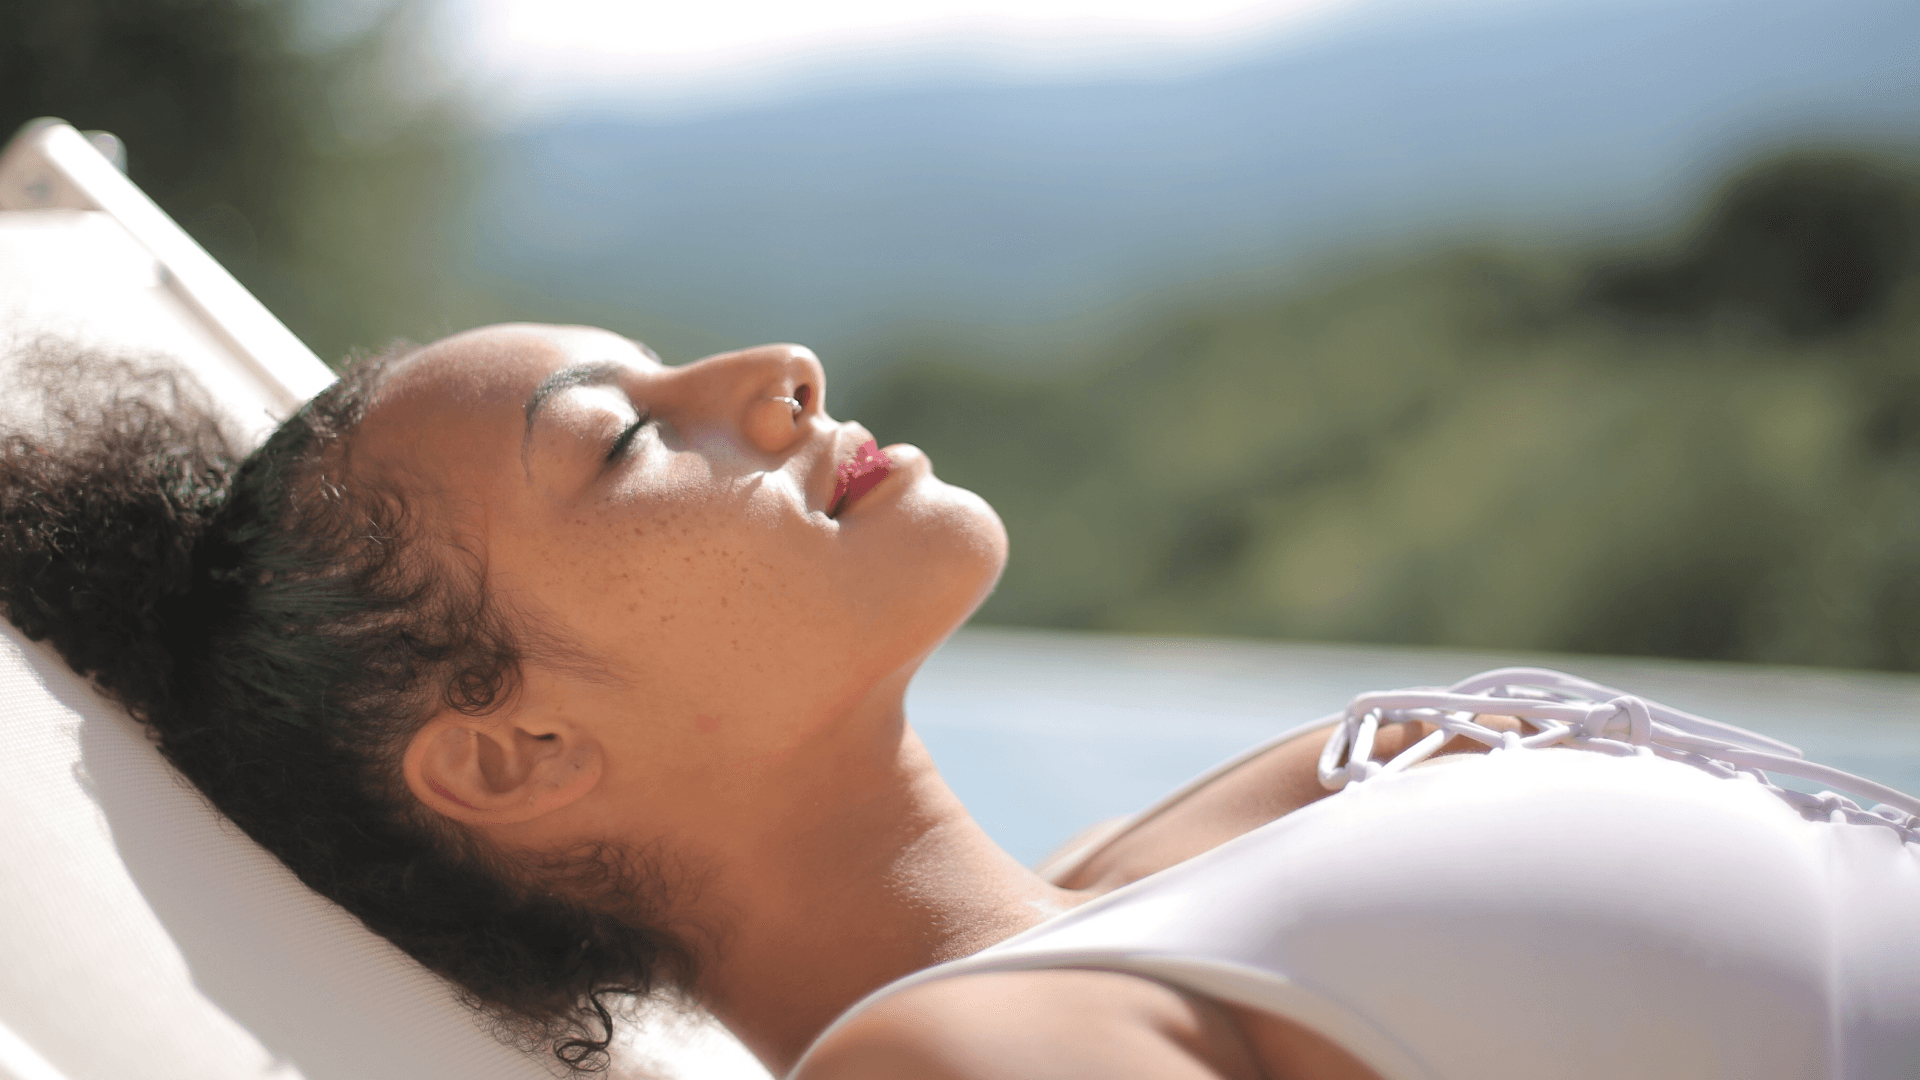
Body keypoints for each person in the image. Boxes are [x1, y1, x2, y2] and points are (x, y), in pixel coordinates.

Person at [3, 325, 1914, 1080]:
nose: (770, 372)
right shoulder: (964, 1067)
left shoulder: (1154, 870)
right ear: (515, 752)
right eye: (619, 438)